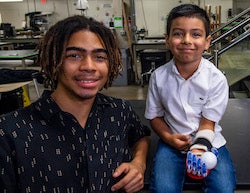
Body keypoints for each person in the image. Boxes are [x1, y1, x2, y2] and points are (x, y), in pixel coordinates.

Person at [0, 15, 150, 193]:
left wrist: (138, 163)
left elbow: (140, 137)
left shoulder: (120, 112)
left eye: (99, 57)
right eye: (74, 55)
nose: (89, 66)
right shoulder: (12, 132)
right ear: (54, 59)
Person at [145, 4, 236, 193]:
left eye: (196, 34)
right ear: (167, 40)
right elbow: (155, 117)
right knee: (163, 189)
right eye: (178, 34)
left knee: (224, 188)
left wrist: (201, 147)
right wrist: (169, 137)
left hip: (210, 141)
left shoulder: (216, 79)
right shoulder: (158, 77)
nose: (187, 40)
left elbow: (208, 123)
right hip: (172, 143)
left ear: (207, 41)